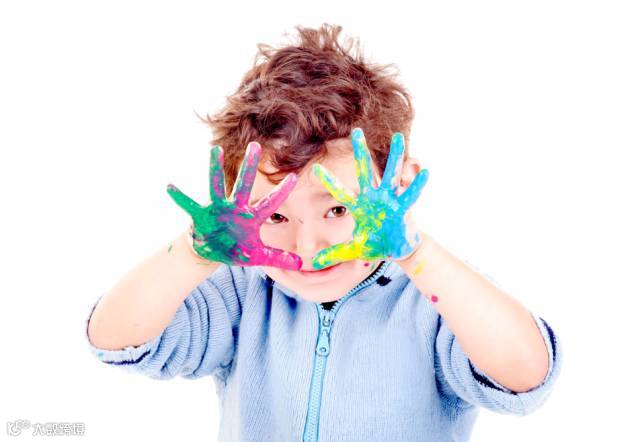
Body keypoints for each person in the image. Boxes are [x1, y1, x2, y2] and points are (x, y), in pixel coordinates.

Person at [84, 23, 561, 441]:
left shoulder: (436, 297)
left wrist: (418, 256)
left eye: (337, 208)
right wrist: (196, 253)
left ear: (399, 183)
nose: (308, 248)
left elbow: (525, 377)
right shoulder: (242, 292)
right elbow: (115, 340)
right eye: (275, 216)